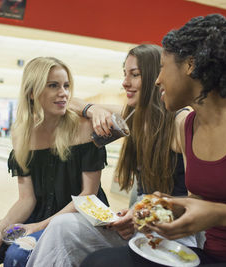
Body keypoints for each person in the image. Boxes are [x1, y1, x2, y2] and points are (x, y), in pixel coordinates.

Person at [81, 14, 226, 266]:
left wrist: (219, 214)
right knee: (99, 262)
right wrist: (165, 207)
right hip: (212, 255)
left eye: (163, 66)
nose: (158, 79)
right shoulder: (187, 125)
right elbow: (200, 201)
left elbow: (213, 210)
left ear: (190, 65)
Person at [26, 44, 193, 267]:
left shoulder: (180, 122)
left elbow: (196, 202)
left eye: (134, 74)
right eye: (125, 74)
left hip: (175, 233)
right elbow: (71, 102)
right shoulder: (133, 116)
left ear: (155, 76)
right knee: (62, 225)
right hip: (141, 224)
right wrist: (92, 110)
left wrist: (141, 212)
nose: (125, 82)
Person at [0, 57, 109, 267]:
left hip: (76, 217)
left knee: (17, 255)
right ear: (32, 92)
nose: (63, 92)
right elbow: (27, 199)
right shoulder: (22, 133)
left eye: (66, 85)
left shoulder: (83, 127)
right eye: (53, 86)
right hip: (37, 213)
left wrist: (38, 227)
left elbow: (87, 195)